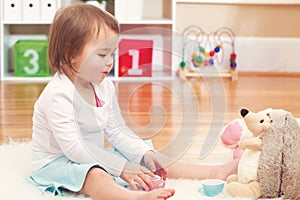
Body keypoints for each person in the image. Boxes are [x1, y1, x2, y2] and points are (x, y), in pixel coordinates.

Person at [29, 3, 239, 200]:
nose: (110, 62)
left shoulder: (104, 86)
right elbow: (74, 149)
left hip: (93, 156)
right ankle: (133, 197)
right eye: (102, 54)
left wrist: (143, 154)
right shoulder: (58, 95)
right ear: (71, 54)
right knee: (95, 175)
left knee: (148, 156)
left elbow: (117, 131)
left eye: (112, 53)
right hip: (58, 163)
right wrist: (120, 167)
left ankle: (213, 171)